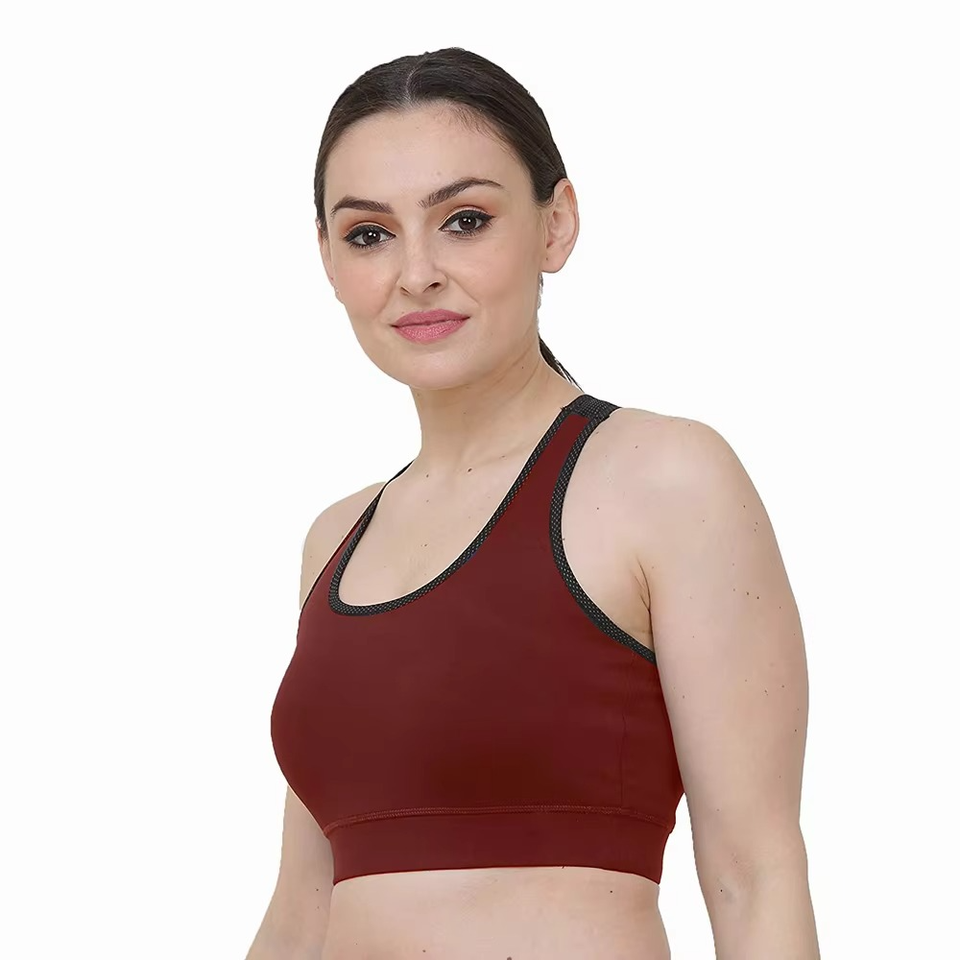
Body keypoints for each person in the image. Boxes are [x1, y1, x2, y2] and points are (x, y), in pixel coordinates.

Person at [247, 47, 820, 960]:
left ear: (557, 226)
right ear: (326, 256)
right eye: (368, 234)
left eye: (465, 220)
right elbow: (300, 910)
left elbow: (754, 876)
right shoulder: (336, 540)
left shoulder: (664, 479)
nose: (416, 273)